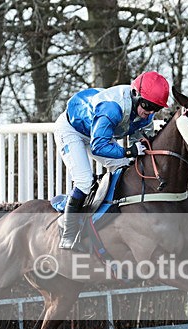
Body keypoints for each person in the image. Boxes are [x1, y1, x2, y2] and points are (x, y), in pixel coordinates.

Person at [54, 71, 170, 250]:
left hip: (96, 132)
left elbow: (140, 139)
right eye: (147, 105)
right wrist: (128, 151)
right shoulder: (112, 108)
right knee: (84, 181)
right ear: (135, 95)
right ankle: (68, 233)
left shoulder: (146, 113)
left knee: (125, 168)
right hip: (72, 131)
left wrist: (140, 147)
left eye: (156, 108)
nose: (149, 112)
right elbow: (98, 146)